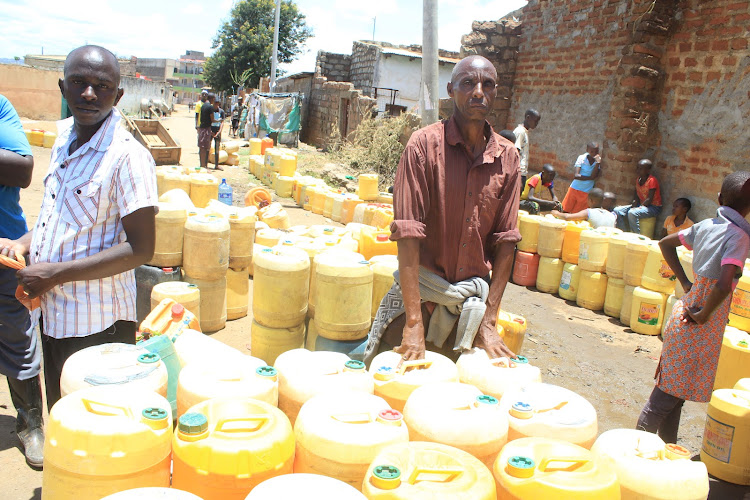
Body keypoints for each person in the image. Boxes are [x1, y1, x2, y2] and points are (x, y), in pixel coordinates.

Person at [0, 45, 158, 411]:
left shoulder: (127, 158)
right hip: (54, 314)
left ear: (118, 95)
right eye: (79, 82)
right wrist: (26, 242)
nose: (89, 94)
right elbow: (57, 215)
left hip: (97, 323)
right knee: (67, 415)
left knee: (99, 424)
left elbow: (141, 249)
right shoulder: (64, 139)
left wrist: (55, 273)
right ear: (63, 88)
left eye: (102, 86)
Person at [364, 55, 521, 366]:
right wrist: (413, 324)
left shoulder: (508, 158)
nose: (478, 91)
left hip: (470, 310)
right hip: (419, 299)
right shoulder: (422, 146)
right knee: (388, 398)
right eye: (468, 83)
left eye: (487, 84)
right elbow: (408, 236)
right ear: (451, 90)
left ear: (495, 92)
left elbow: (506, 242)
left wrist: (489, 322)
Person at [636, 171, 750, 444]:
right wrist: (704, 314)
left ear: (720, 198)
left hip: (687, 310)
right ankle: (635, 450)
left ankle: (668, 448)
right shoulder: (738, 237)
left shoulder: (706, 226)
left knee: (675, 394)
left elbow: (665, 243)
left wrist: (686, 283)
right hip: (699, 321)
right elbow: (723, 286)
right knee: (663, 400)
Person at [0, 95, 43, 468]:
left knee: (17, 334)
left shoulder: (0, 108)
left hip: (6, 248)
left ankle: (30, 422)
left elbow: (22, 170)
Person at [613, 159, 662, 233]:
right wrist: (634, 202)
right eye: (638, 168)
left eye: (641, 168)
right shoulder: (638, 179)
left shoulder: (652, 180)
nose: (638, 170)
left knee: (632, 213)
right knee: (618, 210)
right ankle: (624, 231)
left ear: (648, 170)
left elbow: (649, 199)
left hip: (653, 207)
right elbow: (636, 195)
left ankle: (636, 235)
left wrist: (638, 207)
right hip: (642, 205)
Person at [562, 142, 602, 213]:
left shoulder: (598, 161)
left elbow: (594, 175)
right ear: (587, 150)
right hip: (574, 188)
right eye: (592, 151)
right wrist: (590, 178)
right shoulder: (582, 158)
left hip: (586, 191)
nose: (594, 153)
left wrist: (597, 163)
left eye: (596, 151)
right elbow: (576, 175)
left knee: (577, 215)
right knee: (565, 210)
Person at [551, 188, 615, 228]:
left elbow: (567, 217)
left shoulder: (589, 212)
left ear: (591, 200)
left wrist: (556, 213)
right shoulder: (612, 216)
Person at [513, 109, 541, 193]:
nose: (536, 124)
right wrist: (517, 175)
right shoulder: (520, 132)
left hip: (522, 173)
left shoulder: (524, 132)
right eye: (535, 121)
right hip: (518, 173)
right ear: (528, 118)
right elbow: (515, 153)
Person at [197, 92, 214, 169]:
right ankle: (204, 166)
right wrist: (218, 120)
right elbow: (212, 119)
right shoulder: (210, 107)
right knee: (205, 148)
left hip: (201, 127)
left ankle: (201, 164)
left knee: (201, 147)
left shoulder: (203, 105)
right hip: (206, 128)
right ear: (212, 99)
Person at [212, 96, 226, 171]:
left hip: (217, 131)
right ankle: (205, 165)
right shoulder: (210, 110)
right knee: (207, 148)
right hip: (211, 131)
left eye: (217, 104)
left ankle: (216, 165)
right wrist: (210, 132)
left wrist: (219, 132)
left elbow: (222, 122)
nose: (216, 105)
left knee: (217, 148)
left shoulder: (221, 111)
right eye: (215, 104)